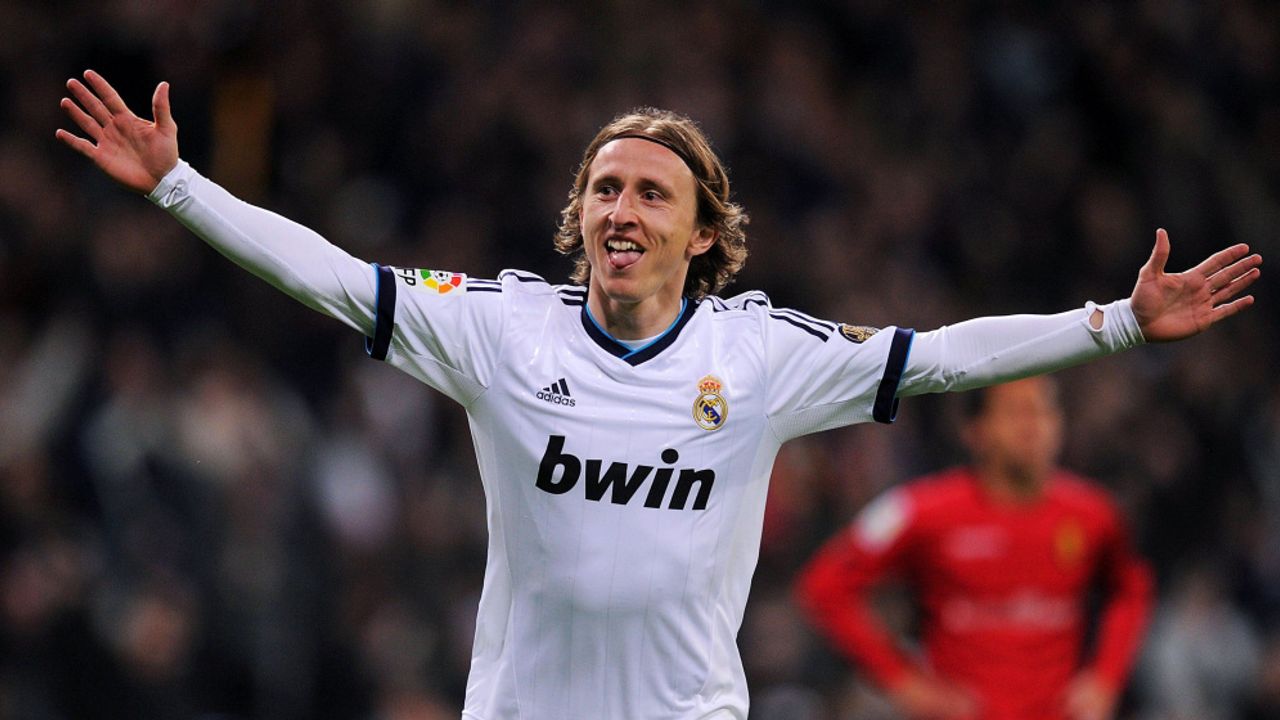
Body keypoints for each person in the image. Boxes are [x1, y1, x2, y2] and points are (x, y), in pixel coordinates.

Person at [56, 70, 1259, 720]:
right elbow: (329, 276)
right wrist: (179, 186)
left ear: (702, 235)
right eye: (602, 188)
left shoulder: (762, 355)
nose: (619, 209)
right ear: (578, 215)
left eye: (649, 193)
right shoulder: (498, 328)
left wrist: (1115, 324)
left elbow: (939, 355)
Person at [794, 377, 1153, 720]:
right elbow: (826, 585)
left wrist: (1106, 678)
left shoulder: (1093, 514)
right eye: (1015, 412)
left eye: (1044, 411)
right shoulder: (921, 511)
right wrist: (902, 681)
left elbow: (1132, 587)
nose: (1033, 426)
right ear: (975, 431)